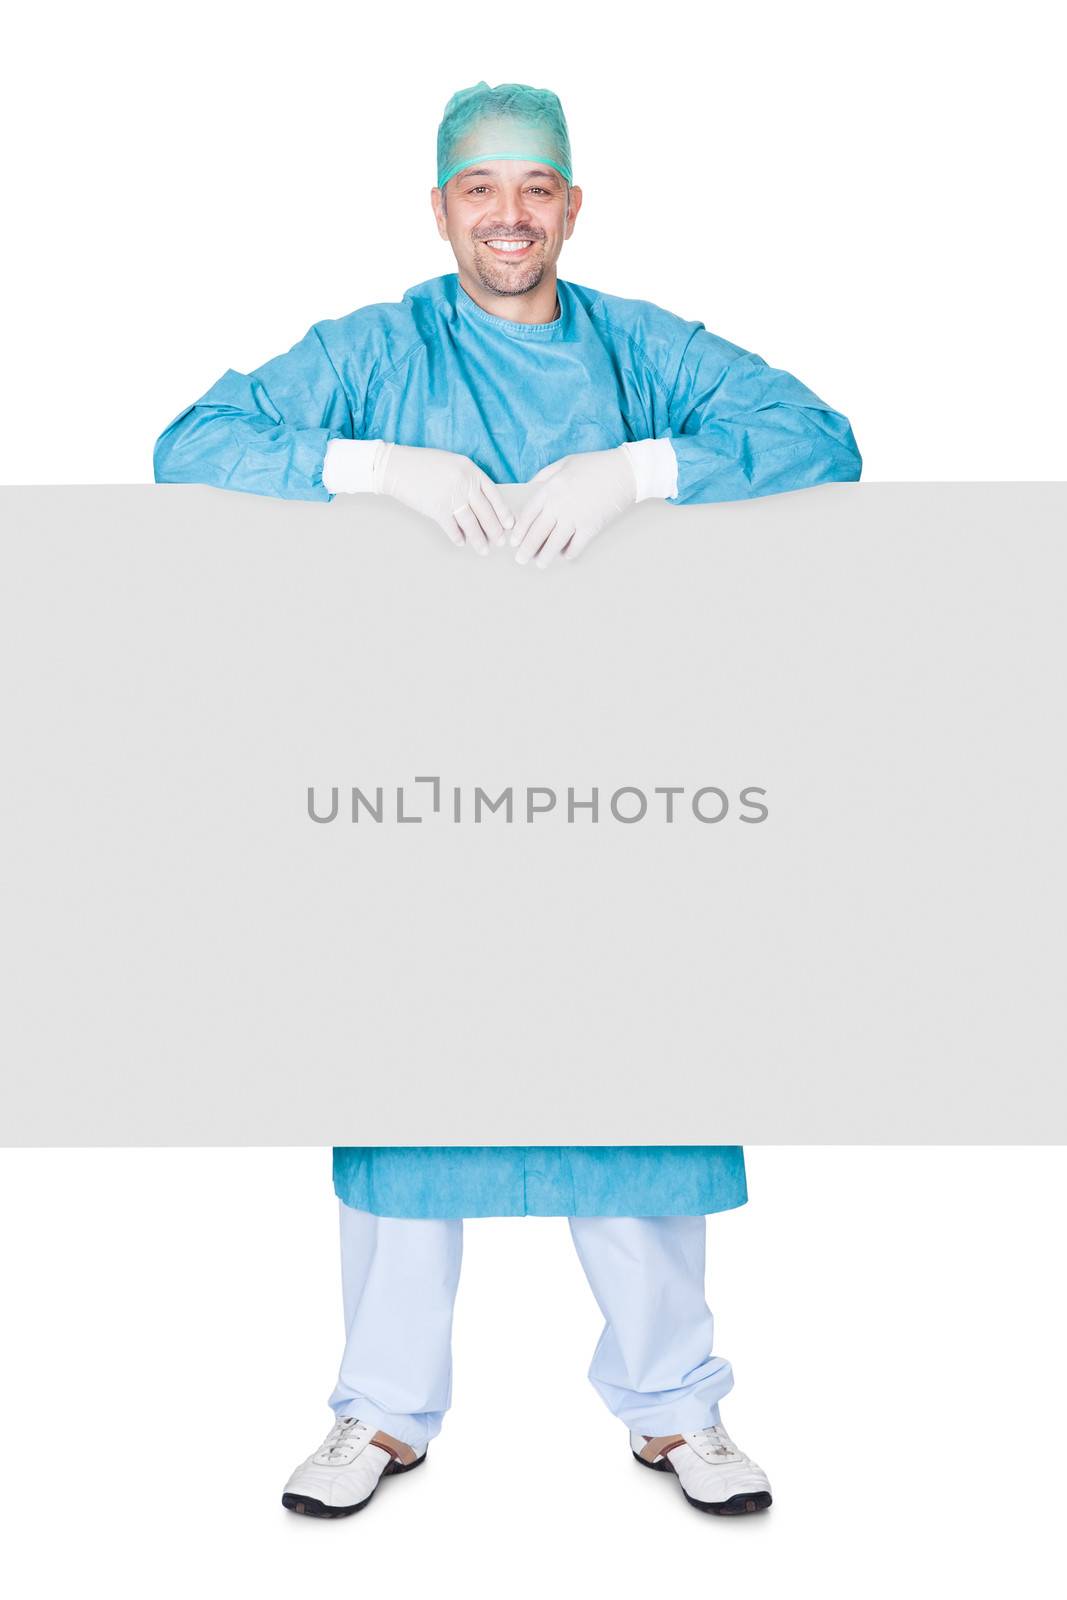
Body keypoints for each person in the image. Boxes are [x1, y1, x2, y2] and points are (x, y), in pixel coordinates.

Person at [154, 81, 861, 1518]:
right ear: (440, 209)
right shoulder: (371, 356)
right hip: (420, 799)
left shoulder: (642, 352)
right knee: (413, 1095)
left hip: (619, 793)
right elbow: (190, 445)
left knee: (635, 1088)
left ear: (574, 207)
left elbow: (821, 438)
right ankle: (380, 1412)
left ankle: (676, 1406)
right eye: (482, 189)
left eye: (537, 187)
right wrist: (367, 466)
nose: (511, 214)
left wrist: (643, 469)